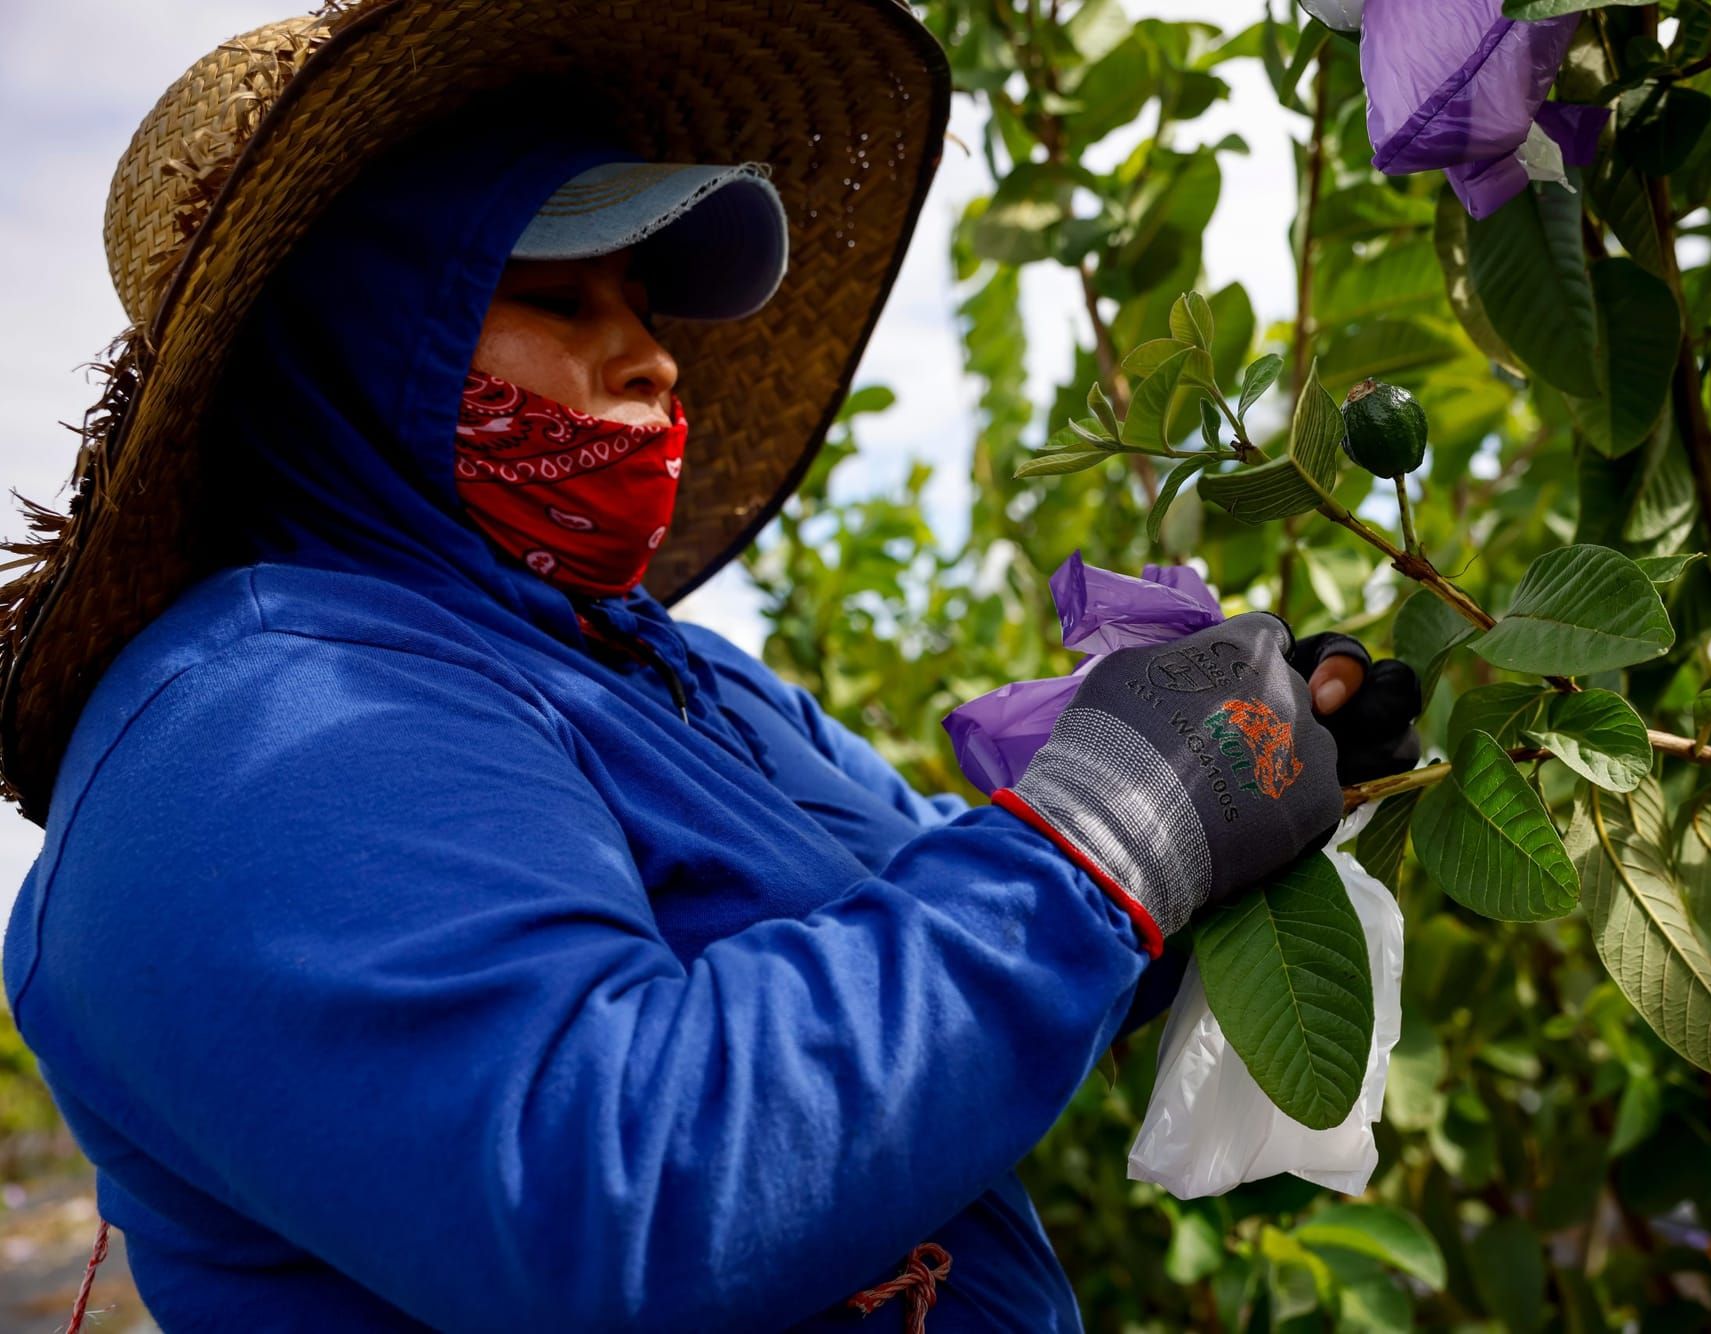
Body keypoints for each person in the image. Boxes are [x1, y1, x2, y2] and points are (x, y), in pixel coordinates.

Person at [1, 4, 1419, 1330]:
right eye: (562, 300)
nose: (655, 362)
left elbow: (935, 952)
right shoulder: (250, 739)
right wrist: (1114, 829)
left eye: (650, 307)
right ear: (357, 349)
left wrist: (1225, 813)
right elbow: (609, 1195)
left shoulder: (674, 677)